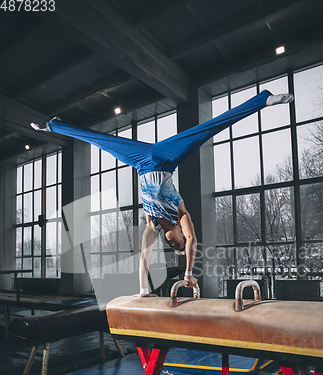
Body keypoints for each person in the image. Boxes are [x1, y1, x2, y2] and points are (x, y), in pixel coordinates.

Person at [31, 90, 293, 296]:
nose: (173, 243)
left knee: (100, 141)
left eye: (172, 246)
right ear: (181, 234)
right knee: (207, 130)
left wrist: (143, 291)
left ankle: (53, 126)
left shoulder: (151, 225)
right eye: (178, 242)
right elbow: (193, 241)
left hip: (141, 162)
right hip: (167, 159)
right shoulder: (182, 216)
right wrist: (189, 272)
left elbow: (143, 259)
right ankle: (263, 100)